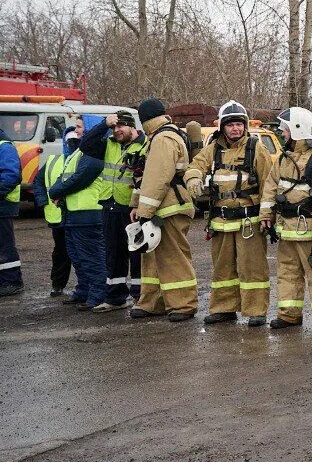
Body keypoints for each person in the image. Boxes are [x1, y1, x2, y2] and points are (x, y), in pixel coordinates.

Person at [184, 101, 275, 327]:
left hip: (249, 221)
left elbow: (268, 185)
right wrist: (193, 178)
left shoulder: (256, 148)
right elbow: (195, 166)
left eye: (239, 124)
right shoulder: (213, 149)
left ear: (244, 126)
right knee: (223, 268)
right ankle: (224, 309)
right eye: (231, 125)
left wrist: (267, 215)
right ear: (223, 127)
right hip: (221, 220)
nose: (235, 129)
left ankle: (256, 311)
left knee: (252, 268)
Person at [260, 108, 312, 331]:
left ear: (296, 129)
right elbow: (270, 187)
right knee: (287, 273)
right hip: (286, 229)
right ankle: (289, 314)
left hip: (310, 229)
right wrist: (266, 215)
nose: (281, 133)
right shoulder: (284, 159)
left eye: (284, 129)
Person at [129, 98, 198, 322]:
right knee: (153, 258)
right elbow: (147, 177)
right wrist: (137, 205)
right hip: (163, 206)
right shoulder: (162, 136)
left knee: (173, 257)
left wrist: (143, 211)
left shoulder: (163, 138)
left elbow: (158, 178)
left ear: (144, 120)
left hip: (169, 207)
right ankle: (153, 302)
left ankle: (183, 304)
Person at [46, 114, 110, 312]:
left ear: (90, 129)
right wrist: (57, 191)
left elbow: (80, 178)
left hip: (87, 214)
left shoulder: (93, 153)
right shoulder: (78, 152)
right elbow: (64, 176)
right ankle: (83, 291)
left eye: (80, 126)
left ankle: (97, 295)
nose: (77, 130)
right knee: (77, 257)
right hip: (73, 213)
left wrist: (56, 192)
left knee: (91, 258)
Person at [93, 111, 145, 307]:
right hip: (110, 203)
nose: (117, 130)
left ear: (132, 126)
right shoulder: (109, 142)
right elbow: (85, 145)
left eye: (120, 126)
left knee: (137, 252)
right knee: (113, 253)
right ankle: (115, 297)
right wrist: (103, 124)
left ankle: (140, 297)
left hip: (132, 207)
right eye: (114, 127)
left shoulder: (144, 144)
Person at [34, 128, 76, 298]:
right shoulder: (53, 160)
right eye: (69, 141)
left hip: (79, 214)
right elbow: (38, 180)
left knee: (80, 253)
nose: (71, 145)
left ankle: (84, 286)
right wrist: (42, 201)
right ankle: (58, 285)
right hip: (58, 216)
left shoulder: (84, 160)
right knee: (61, 252)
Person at [0, 125, 22, 297]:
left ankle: (12, 281)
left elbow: (11, 176)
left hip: (3, 204)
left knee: (4, 245)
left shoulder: (5, 147)